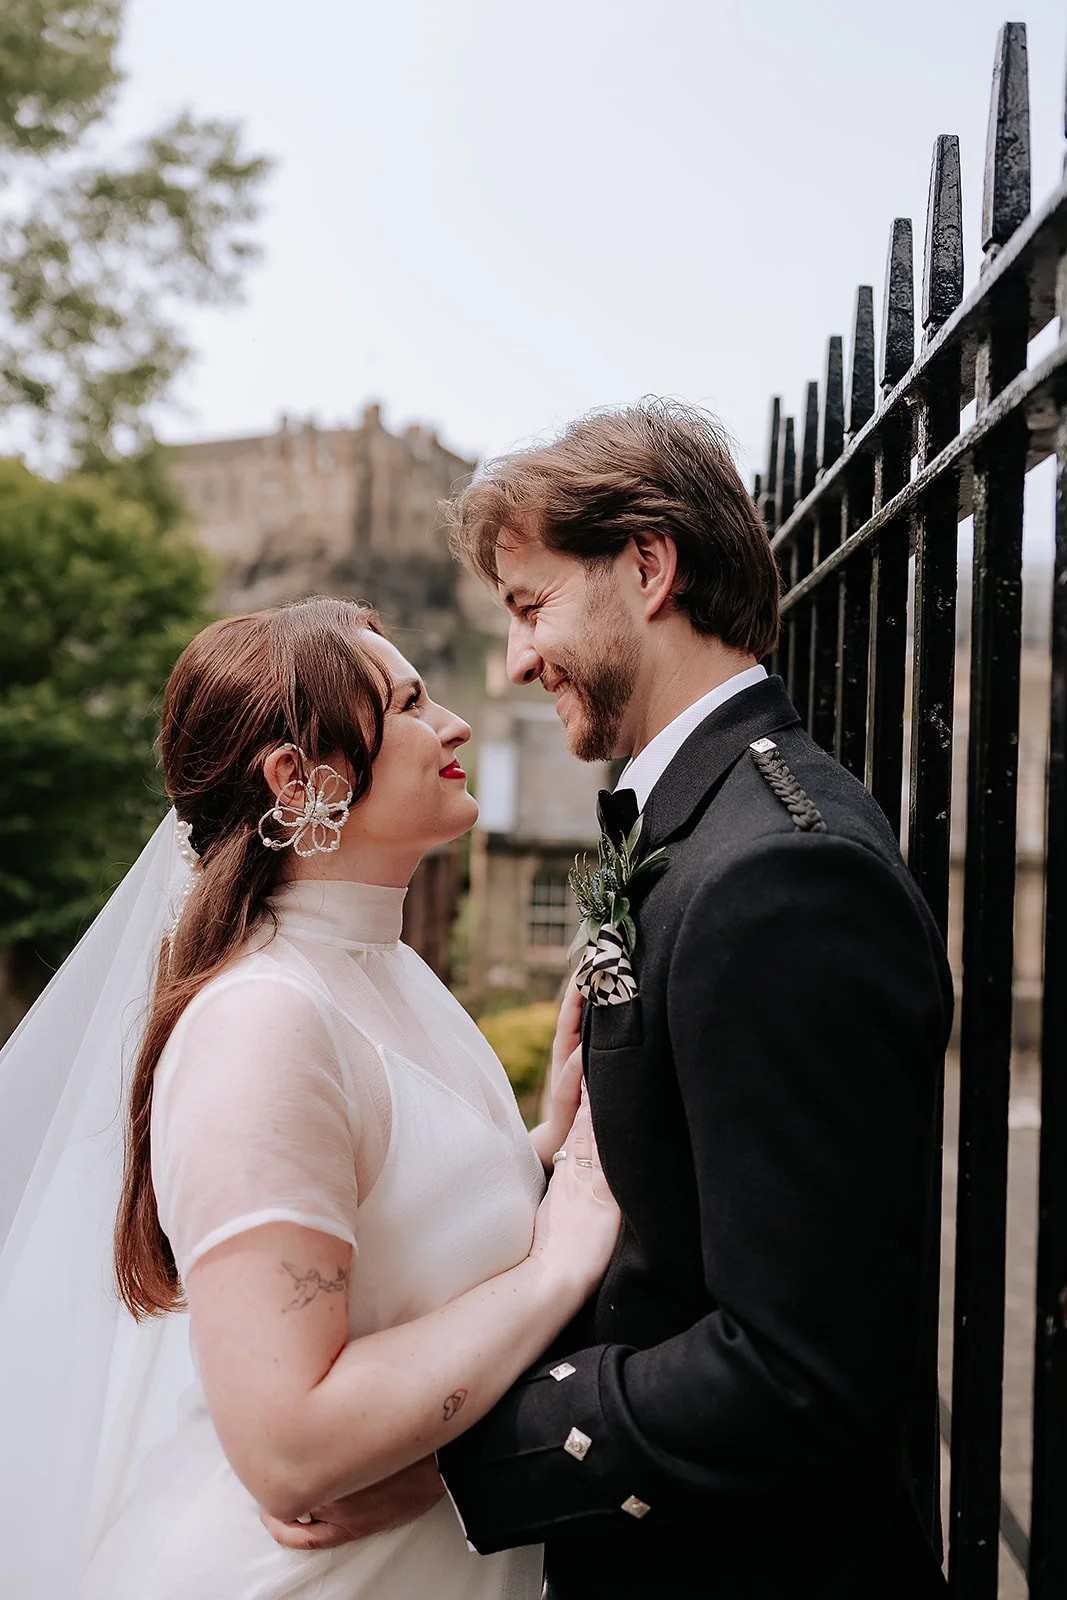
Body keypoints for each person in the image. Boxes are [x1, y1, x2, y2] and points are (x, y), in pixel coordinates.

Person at [286, 404, 954, 1599]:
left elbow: (798, 1366)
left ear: (647, 566)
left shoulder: (778, 873)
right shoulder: (701, 829)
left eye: (529, 605)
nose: (513, 661)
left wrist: (459, 1459)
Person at [0, 596, 620, 1600]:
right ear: (299, 779)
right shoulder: (264, 1019)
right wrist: (556, 1262)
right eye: (411, 702)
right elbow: (290, 1445)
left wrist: (543, 1146)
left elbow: (404, 1241)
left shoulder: (386, 970)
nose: (455, 721)